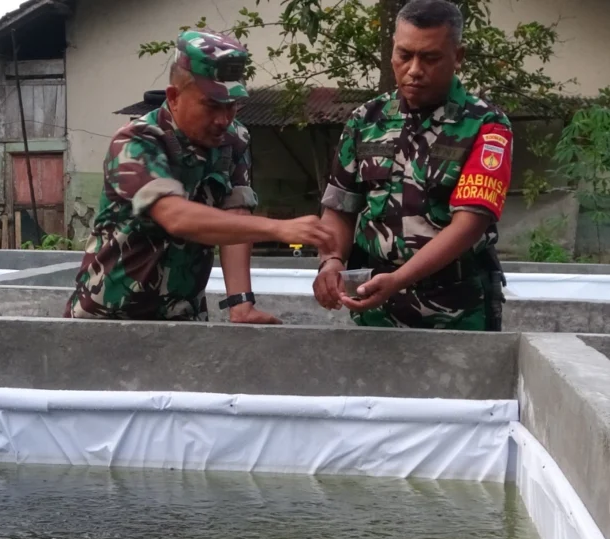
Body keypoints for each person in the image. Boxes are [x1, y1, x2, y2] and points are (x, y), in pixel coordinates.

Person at [66, 31, 334, 323]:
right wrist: (278, 229)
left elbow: (236, 216)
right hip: (108, 319)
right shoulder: (138, 142)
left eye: (232, 105)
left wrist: (240, 303)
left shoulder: (234, 139)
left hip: (182, 317)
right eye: (211, 105)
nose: (223, 119)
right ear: (174, 96)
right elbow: (176, 217)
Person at [313, 0, 511, 331]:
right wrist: (330, 261)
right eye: (404, 55)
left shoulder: (486, 124)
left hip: (457, 309)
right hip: (375, 304)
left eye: (430, 58)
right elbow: (339, 208)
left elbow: (469, 225)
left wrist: (399, 279)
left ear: (457, 57)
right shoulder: (366, 120)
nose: (414, 70)